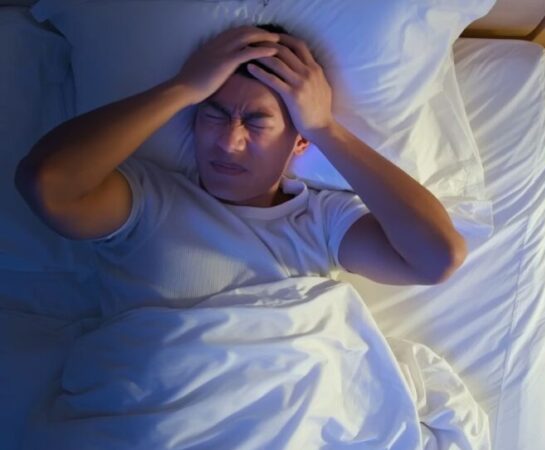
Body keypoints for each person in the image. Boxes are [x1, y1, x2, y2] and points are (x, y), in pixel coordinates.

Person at [15, 24, 467, 317]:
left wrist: (327, 127)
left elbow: (436, 258)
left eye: (256, 123)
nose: (228, 143)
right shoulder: (149, 199)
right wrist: (183, 88)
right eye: (213, 114)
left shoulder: (322, 221)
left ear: (299, 141)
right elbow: (47, 184)